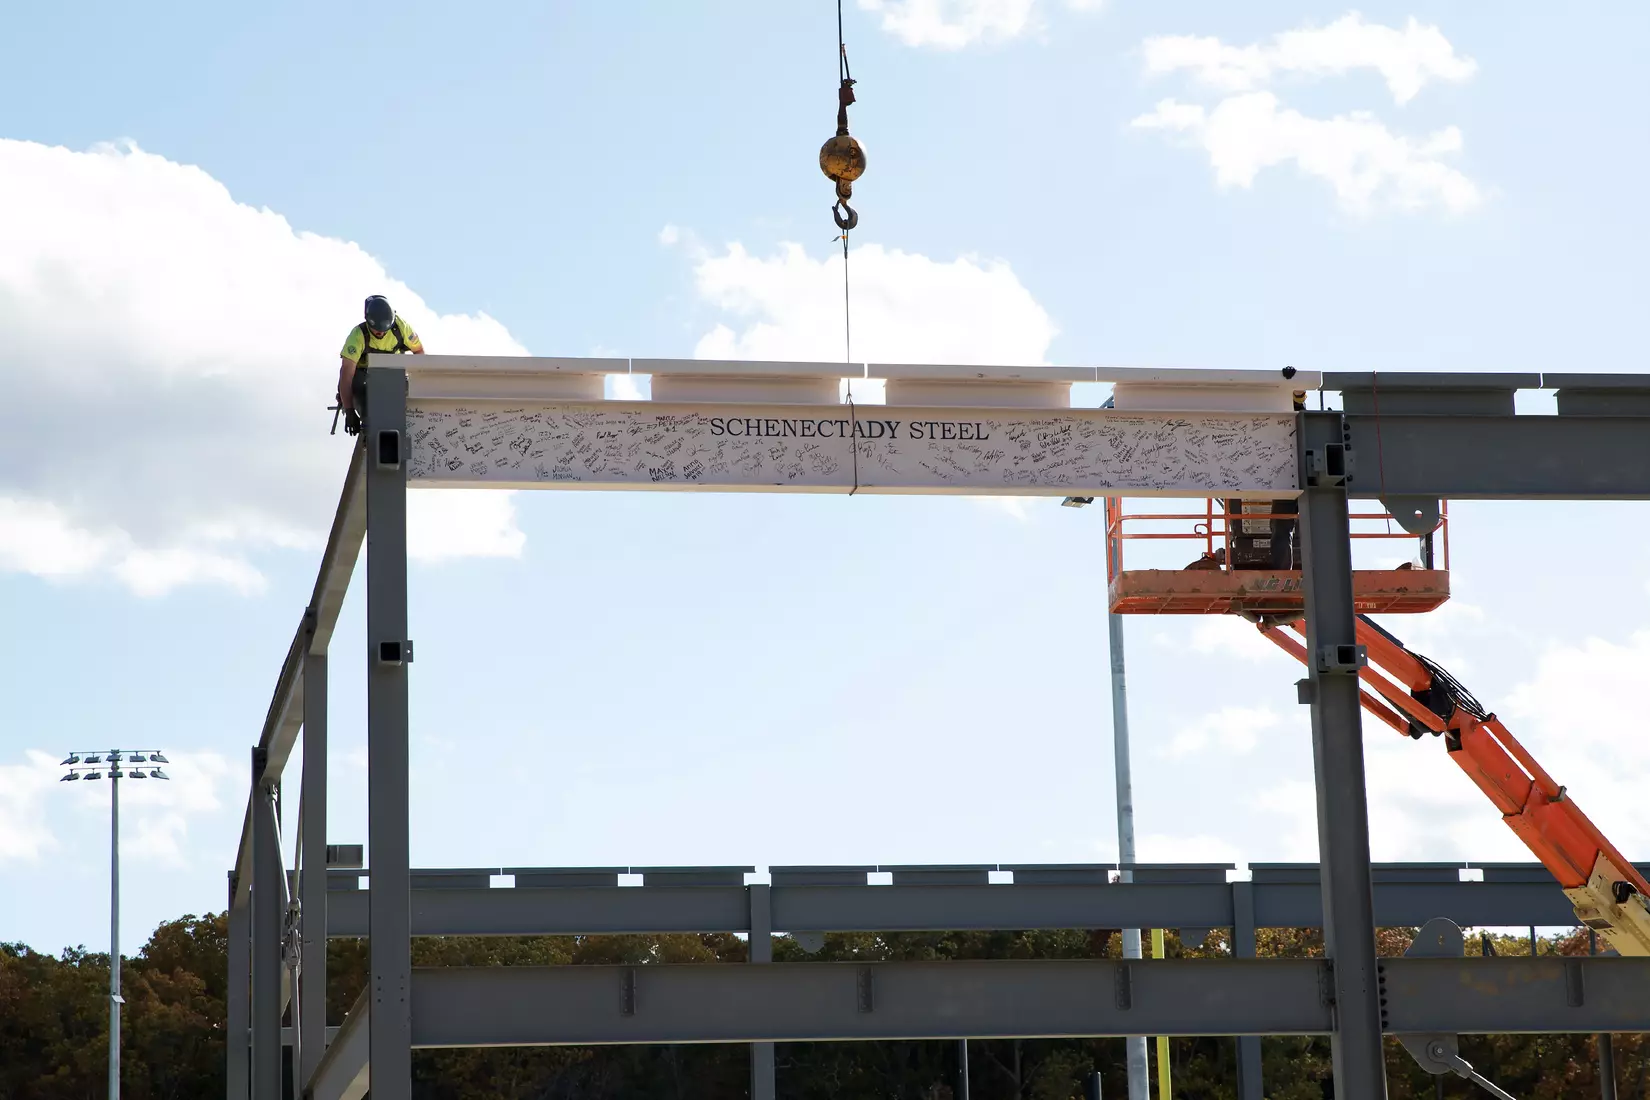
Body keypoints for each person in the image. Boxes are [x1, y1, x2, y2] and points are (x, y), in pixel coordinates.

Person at [335, 295, 424, 433]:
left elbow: (419, 353)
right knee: (369, 412)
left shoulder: (401, 328)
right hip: (363, 380)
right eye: (377, 330)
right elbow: (346, 375)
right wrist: (350, 410)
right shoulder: (358, 336)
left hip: (392, 377)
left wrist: (420, 385)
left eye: (385, 330)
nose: (381, 333)